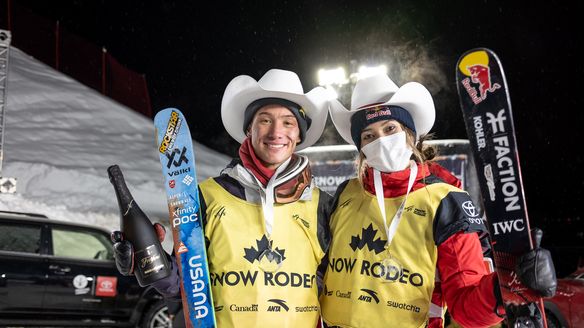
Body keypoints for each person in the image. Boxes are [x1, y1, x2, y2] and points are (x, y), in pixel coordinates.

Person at [319, 73, 556, 328]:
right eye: (368, 135)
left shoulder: (445, 200)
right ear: (361, 148)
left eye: (390, 129)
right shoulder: (345, 194)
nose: (381, 142)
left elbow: (466, 305)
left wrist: (503, 291)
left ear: (410, 134)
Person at [111, 69, 332, 327]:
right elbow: (183, 284)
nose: (276, 132)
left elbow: (342, 286)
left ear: (299, 134)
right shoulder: (207, 196)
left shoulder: (323, 205)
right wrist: (149, 264)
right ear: (249, 128)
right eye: (264, 120)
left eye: (288, 122)